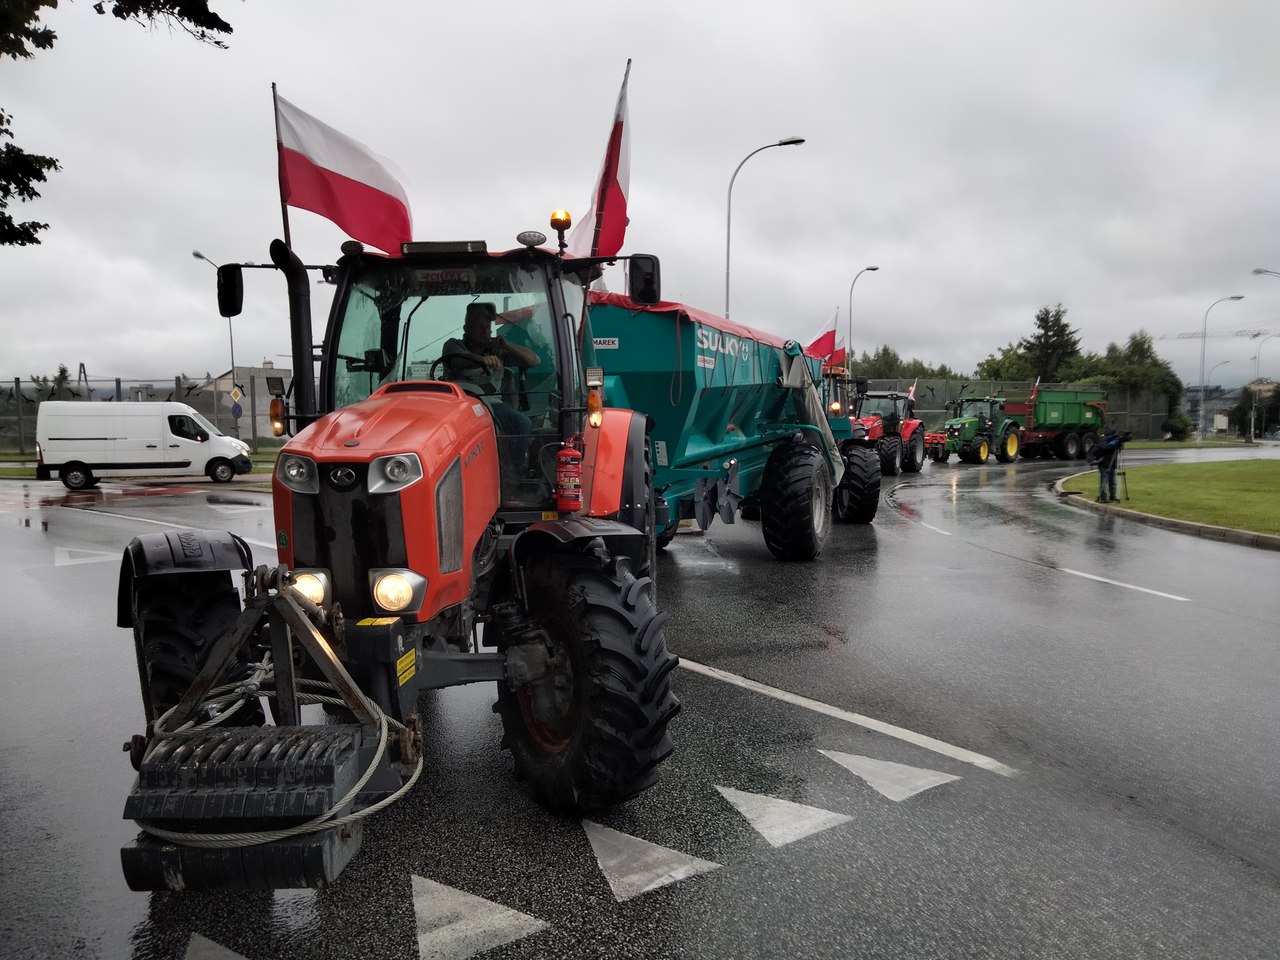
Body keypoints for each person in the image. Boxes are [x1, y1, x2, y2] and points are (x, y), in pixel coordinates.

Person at [443, 301, 540, 483]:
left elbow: (533, 361)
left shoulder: (499, 352)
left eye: (487, 327)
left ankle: (514, 480)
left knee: (522, 424)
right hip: (457, 404)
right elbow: (458, 361)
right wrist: (482, 360)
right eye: (479, 327)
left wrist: (507, 345)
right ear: (466, 328)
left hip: (490, 405)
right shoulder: (454, 346)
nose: (485, 332)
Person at [1090, 428, 1127, 502]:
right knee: (1104, 481)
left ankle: (1112, 497)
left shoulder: (1113, 440)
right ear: (1110, 435)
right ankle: (1103, 497)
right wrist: (1114, 443)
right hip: (1104, 463)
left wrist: (1118, 443)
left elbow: (1117, 450)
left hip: (1112, 463)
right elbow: (1105, 447)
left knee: (1112, 482)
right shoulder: (1102, 439)